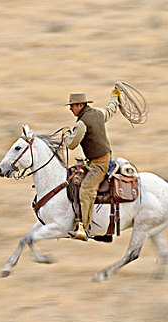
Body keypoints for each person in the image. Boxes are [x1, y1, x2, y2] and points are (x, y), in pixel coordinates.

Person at [63, 88, 120, 240]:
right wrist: (115, 97)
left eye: (72, 105)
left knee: (86, 190)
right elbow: (111, 109)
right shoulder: (99, 113)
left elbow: (71, 144)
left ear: (80, 105)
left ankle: (85, 229)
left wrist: (67, 134)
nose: (70, 108)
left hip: (99, 164)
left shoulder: (81, 124)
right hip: (102, 159)